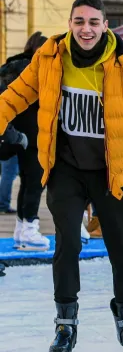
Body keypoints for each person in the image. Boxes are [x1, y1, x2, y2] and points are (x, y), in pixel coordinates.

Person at [0, 0, 123, 352]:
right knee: (68, 243)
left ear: (106, 25)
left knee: (122, 247)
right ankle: (65, 323)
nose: (85, 29)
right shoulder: (50, 57)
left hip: (112, 171)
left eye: (93, 22)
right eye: (78, 22)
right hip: (65, 169)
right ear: (70, 24)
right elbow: (16, 95)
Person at [0, 31, 48, 249]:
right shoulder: (32, 69)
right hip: (29, 133)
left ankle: (22, 229)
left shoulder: (11, 66)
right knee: (34, 180)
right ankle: (29, 228)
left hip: (13, 133)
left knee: (28, 180)